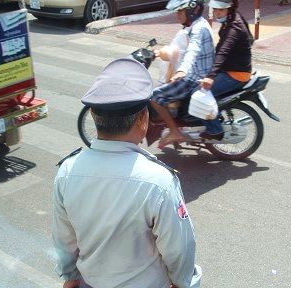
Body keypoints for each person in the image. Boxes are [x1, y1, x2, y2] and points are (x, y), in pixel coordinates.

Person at [52, 58, 202, 288]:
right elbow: (179, 249)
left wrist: (71, 277)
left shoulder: (67, 172)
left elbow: (64, 240)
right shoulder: (158, 181)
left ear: (92, 115)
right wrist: (184, 283)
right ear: (143, 119)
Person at [151, 0, 215, 148]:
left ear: (192, 11)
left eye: (181, 11)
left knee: (155, 97)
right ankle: (177, 126)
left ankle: (175, 131)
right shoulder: (196, 25)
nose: (177, 14)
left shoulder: (199, 29)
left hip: (193, 78)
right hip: (196, 73)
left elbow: (192, 51)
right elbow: (180, 48)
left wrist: (182, 70)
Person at [198, 0, 253, 140]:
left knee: (202, 94)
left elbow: (223, 52)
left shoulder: (234, 26)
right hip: (232, 69)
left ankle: (215, 130)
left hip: (236, 74)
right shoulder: (234, 18)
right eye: (215, 9)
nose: (217, 13)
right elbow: (250, 39)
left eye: (220, 10)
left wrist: (211, 76)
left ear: (229, 9)